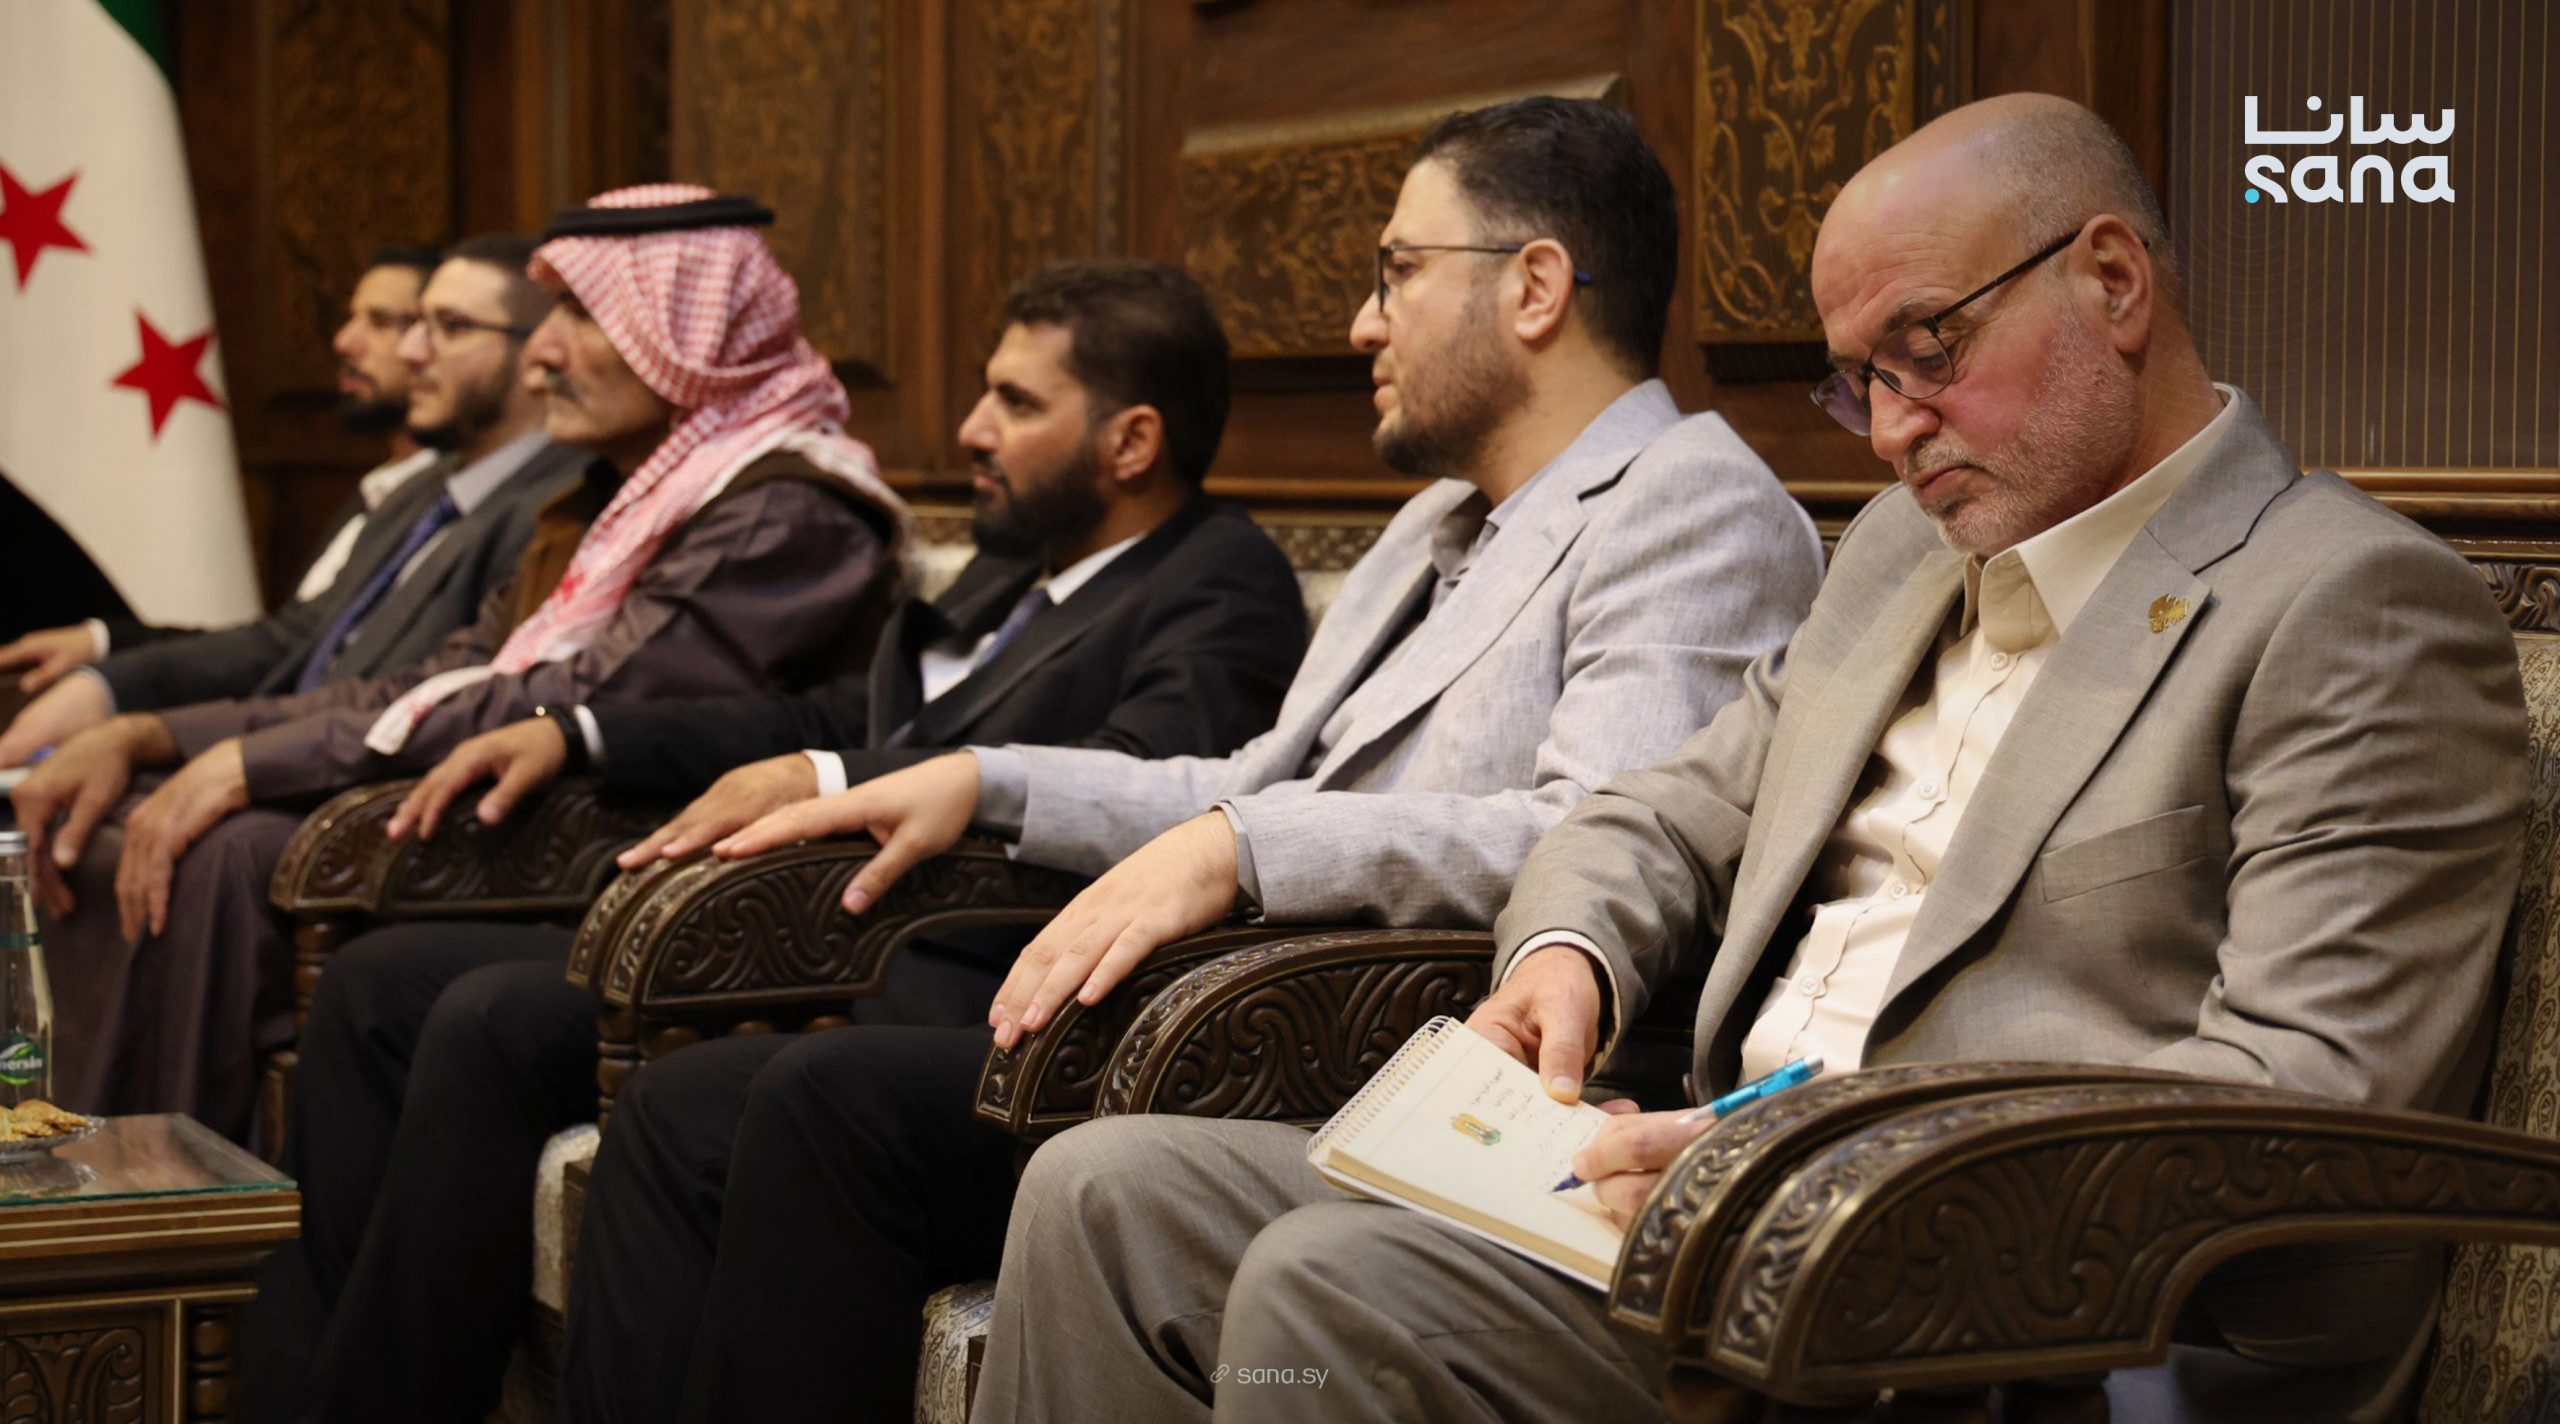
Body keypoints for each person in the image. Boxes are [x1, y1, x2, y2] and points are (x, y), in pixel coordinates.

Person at [974, 93, 2530, 1424]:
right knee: (1108, 1196)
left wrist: (1799, 1159)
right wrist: (1570, 954)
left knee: (1339, 1288)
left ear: (2111, 279)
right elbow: (1661, 813)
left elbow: (2304, 1096)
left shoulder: (2348, 605)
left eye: (1928, 348)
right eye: (1863, 379)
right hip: (1708, 1197)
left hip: (1998, 1313)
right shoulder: (1900, 558)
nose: (1894, 429)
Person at [560, 96, 1825, 1424]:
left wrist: (1244, 848)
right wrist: (987, 778)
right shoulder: (1435, 521)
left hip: (1403, 1052)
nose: (1363, 323)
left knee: (831, 1102)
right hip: (1246, 1020)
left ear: (1536, 287)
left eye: (1397, 271)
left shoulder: (1695, 500)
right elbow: (1253, 776)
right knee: (689, 1106)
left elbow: (1597, 832)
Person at [234, 259, 1313, 1424]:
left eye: (1015, 400)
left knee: (532, 1034)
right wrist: (585, 733)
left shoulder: (1219, 578)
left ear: (1131, 440)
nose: (970, 427)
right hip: (818, 931)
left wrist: (845, 778)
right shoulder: (1016, 564)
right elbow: (832, 720)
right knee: (382, 980)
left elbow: (1135, 782)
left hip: (945, 966)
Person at [6, 185, 910, 1139]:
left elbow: (561, 703)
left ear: (702, 335)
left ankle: (177, 1191)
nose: (544, 352)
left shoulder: (781, 508)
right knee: (144, 812)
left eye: (583, 314)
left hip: (643, 857)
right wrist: (171, 735)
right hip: (535, 821)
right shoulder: (619, 499)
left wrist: (247, 763)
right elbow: (444, 678)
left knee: (230, 850)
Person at [0, 244, 465, 725]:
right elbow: (287, 641)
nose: (345, 341)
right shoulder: (383, 495)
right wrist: (103, 644)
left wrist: (153, 727)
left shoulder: (451, 508)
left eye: (382, 322)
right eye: (351, 318)